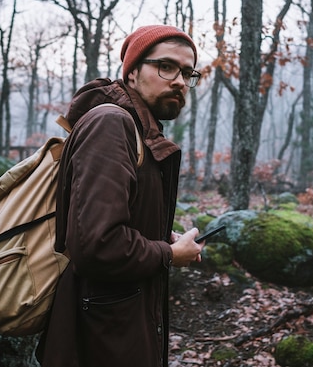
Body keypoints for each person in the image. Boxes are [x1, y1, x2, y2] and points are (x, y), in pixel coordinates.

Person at [38, 25, 205, 367]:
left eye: (188, 73)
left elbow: (112, 221)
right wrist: (169, 254)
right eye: (167, 66)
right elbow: (98, 245)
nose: (179, 81)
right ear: (131, 73)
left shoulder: (140, 133)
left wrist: (158, 237)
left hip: (119, 326)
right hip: (99, 338)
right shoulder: (111, 125)